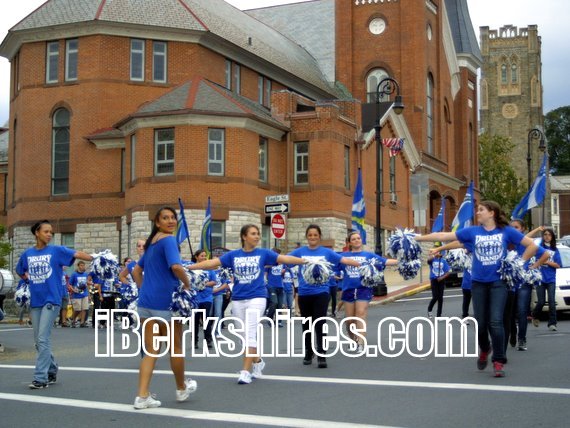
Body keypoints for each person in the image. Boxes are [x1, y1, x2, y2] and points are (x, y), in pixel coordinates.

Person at [415, 201, 539, 377]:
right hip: (478, 283)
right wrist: (417, 238)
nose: (478, 213)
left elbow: (532, 245)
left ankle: (498, 360)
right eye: (477, 210)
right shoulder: (472, 231)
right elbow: (444, 235)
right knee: (481, 323)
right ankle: (485, 348)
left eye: (481, 210)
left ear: (492, 213)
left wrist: (518, 263)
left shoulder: (506, 231)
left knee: (496, 321)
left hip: (498, 283)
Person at [189, 224, 306, 384]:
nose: (257, 236)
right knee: (242, 336)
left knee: (250, 333)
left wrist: (304, 260)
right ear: (244, 236)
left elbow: (284, 258)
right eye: (253, 233)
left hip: (257, 297)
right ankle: (257, 361)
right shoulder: (233, 255)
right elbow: (211, 263)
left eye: (258, 233)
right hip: (238, 298)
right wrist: (189, 267)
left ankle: (245, 371)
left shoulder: (264, 253)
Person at [131, 206, 197, 409]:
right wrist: (187, 284)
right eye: (165, 218)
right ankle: (181, 388)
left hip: (145, 304)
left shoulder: (151, 244)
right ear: (157, 222)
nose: (170, 221)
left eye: (173, 217)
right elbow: (176, 267)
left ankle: (142, 396)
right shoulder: (169, 240)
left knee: (151, 350)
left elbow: (136, 272)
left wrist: (145, 290)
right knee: (175, 348)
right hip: (166, 303)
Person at [16, 220, 93, 389]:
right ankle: (52, 369)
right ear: (37, 233)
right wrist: (28, 281)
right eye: (46, 231)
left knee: (43, 338)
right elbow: (20, 270)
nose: (49, 234)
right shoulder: (27, 254)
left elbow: (77, 253)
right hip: (36, 301)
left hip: (52, 299)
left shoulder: (56, 250)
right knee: (38, 341)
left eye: (51, 232)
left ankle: (40, 378)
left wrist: (96, 258)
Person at [288, 224, 360, 368]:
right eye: (310, 235)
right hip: (304, 293)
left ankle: (322, 354)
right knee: (306, 324)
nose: (313, 237)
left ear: (319, 237)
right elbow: (284, 259)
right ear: (306, 237)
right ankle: (309, 352)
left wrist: (359, 263)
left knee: (320, 323)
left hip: (321, 293)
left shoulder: (327, 252)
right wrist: (269, 263)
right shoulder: (300, 251)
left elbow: (343, 260)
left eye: (315, 235)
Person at [339, 231, 397, 352]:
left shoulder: (369, 255)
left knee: (361, 313)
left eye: (358, 238)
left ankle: (360, 342)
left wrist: (402, 261)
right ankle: (353, 339)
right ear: (349, 242)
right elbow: (332, 265)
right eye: (353, 239)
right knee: (349, 320)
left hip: (363, 288)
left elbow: (384, 261)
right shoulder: (343, 256)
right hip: (348, 289)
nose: (356, 240)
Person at [509, 220, 548, 351]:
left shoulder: (527, 243)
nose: (513, 229)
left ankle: (522, 339)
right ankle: (513, 332)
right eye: (511, 227)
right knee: (509, 312)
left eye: (516, 227)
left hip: (524, 282)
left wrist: (535, 265)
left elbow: (546, 254)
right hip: (509, 282)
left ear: (522, 229)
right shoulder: (506, 241)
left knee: (521, 311)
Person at [530, 227, 561, 331]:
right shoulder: (539, 248)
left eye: (549, 235)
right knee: (541, 302)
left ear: (552, 237)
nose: (547, 236)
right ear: (543, 236)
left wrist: (547, 261)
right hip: (539, 278)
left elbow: (558, 265)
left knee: (552, 302)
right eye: (545, 234)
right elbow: (532, 258)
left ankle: (552, 324)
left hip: (551, 279)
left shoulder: (555, 250)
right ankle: (535, 315)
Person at [188, 249, 217, 349]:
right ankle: (194, 341)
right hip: (195, 298)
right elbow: (187, 280)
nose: (204, 257)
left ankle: (208, 340)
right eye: (202, 256)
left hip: (207, 298)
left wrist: (204, 284)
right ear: (196, 257)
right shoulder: (192, 268)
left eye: (205, 256)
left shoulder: (209, 268)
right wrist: (194, 283)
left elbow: (214, 281)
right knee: (194, 321)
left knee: (206, 319)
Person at [427, 246, 451, 318]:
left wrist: (442, 277)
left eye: (438, 251)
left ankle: (439, 315)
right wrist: (432, 254)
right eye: (436, 251)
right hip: (434, 280)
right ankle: (429, 309)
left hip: (441, 280)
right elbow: (428, 260)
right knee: (435, 297)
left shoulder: (443, 261)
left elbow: (448, 271)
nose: (437, 253)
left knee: (440, 298)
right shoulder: (432, 260)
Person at [69, 261, 90, 327]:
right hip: (77, 294)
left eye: (83, 265)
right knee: (77, 309)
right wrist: (73, 290)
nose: (82, 267)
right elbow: (70, 284)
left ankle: (82, 322)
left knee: (84, 308)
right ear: (78, 266)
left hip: (84, 294)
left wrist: (88, 294)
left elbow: (87, 284)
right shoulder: (74, 274)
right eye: (81, 265)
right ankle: (73, 319)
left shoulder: (86, 274)